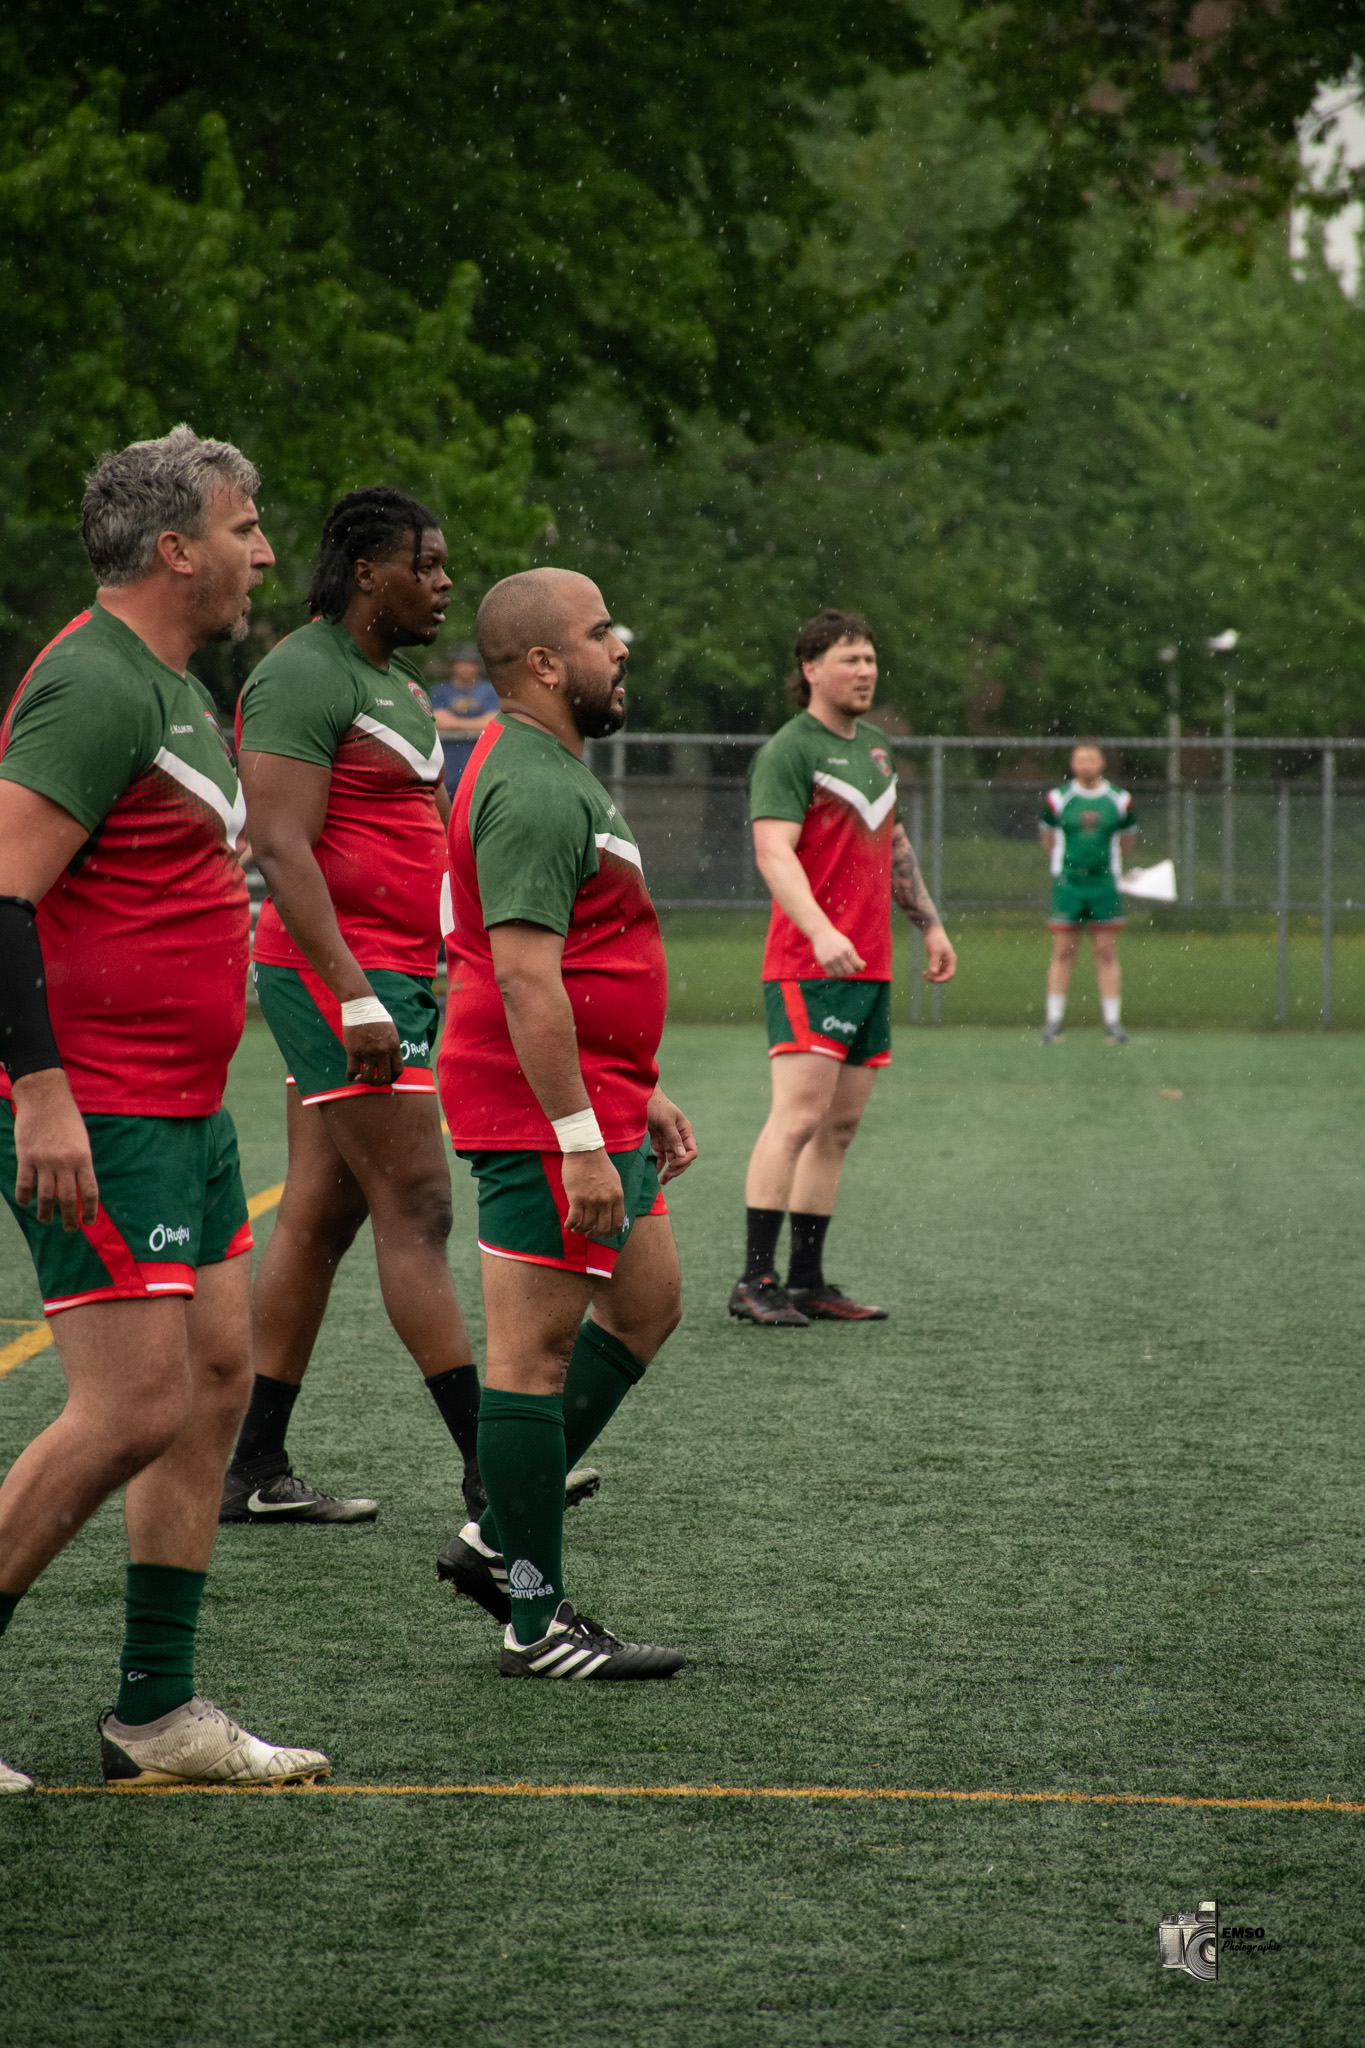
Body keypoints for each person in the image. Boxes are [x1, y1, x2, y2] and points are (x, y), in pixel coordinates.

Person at [0, 426, 329, 1790]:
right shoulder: (92, 681)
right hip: (103, 1110)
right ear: (176, 547)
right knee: (132, 1403)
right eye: (245, 527)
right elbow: (3, 893)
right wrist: (43, 1095)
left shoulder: (176, 683)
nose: (264, 552)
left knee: (206, 1389)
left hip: (187, 1110)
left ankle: (157, 1712)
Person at [434, 566, 695, 1679]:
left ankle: (499, 1531)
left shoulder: (552, 765)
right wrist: (582, 1132)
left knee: (647, 1301)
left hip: (590, 1097)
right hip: (543, 1113)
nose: (618, 646)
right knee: (534, 1357)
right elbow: (528, 979)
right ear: (544, 663)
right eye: (599, 633)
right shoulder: (536, 783)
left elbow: (585, 959)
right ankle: (533, 1620)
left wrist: (640, 1088)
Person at [225, 488, 484, 1527]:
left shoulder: (402, 686)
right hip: (341, 982)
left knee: (323, 1212)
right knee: (419, 1203)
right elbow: (280, 846)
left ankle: (251, 1466)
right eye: (425, 563)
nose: (443, 582)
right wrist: (355, 993)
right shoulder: (298, 671)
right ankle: (492, 1467)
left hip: (394, 977)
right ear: (367, 571)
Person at [729, 609, 956, 1328]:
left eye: (870, 659)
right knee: (795, 1118)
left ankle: (805, 1282)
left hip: (869, 965)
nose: (865, 671)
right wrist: (822, 929)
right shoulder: (789, 751)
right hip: (809, 963)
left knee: (839, 1128)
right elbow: (774, 852)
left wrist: (929, 923)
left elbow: (892, 845)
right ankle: (752, 1281)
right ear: (811, 670)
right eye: (850, 659)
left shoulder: (880, 750)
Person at [1038, 743, 1136, 1045]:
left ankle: (1112, 1022)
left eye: (1092, 759)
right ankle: (1053, 1021)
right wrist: (1068, 867)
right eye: (1081, 759)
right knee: (1062, 952)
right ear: (1072, 763)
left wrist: (1106, 868)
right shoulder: (1058, 798)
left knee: (1106, 952)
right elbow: (1047, 836)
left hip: (1104, 885)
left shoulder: (1119, 800)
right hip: (1069, 885)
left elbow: (1127, 840)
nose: (1086, 764)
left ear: (1102, 763)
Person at [430, 641, 499, 793]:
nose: (467, 668)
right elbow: (439, 721)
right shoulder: (440, 690)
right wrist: (477, 724)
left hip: (481, 768)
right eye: (462, 662)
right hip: (447, 770)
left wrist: (454, 722)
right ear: (454, 665)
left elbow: (494, 721)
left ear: (478, 666)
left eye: (471, 663)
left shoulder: (490, 690)